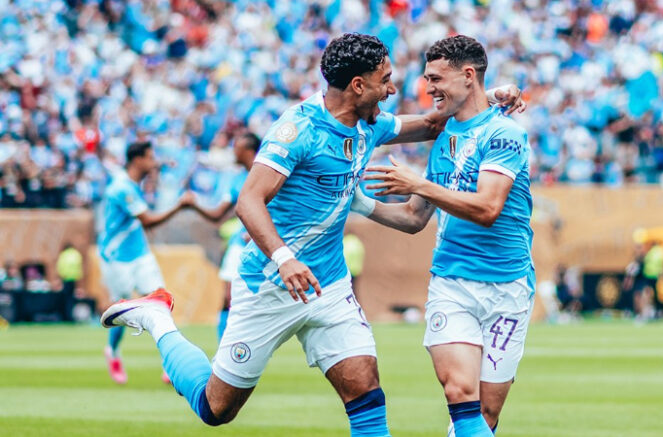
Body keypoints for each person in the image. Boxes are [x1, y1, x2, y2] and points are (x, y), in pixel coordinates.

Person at [100, 33, 524, 434]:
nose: (392, 90)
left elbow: (433, 124)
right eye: (385, 81)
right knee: (217, 409)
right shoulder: (298, 131)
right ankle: (158, 320)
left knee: (366, 393)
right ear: (358, 86)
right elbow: (249, 201)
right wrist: (284, 259)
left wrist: (489, 94)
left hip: (330, 286)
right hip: (271, 284)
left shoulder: (370, 124)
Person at [353, 35, 534, 436]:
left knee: (486, 413)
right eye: (426, 79)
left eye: (435, 78)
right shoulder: (445, 136)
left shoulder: (505, 134)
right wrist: (359, 203)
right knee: (459, 391)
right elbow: (414, 217)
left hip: (509, 287)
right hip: (452, 283)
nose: (428, 88)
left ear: (468, 75)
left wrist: (419, 183)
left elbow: (487, 208)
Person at [97, 141, 194, 384]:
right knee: (120, 310)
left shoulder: (132, 183)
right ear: (137, 160)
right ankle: (112, 351)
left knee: (160, 301)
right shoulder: (122, 188)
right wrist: (179, 205)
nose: (153, 162)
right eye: (150, 157)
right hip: (116, 257)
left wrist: (168, 165)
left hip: (140, 254)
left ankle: (170, 362)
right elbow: (147, 220)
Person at [190, 132, 261, 342]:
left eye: (237, 148)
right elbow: (217, 214)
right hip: (239, 245)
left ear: (249, 151)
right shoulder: (237, 179)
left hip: (264, 246)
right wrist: (194, 204)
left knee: (257, 301)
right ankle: (224, 349)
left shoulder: (268, 175)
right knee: (227, 297)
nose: (233, 152)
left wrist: (260, 231)